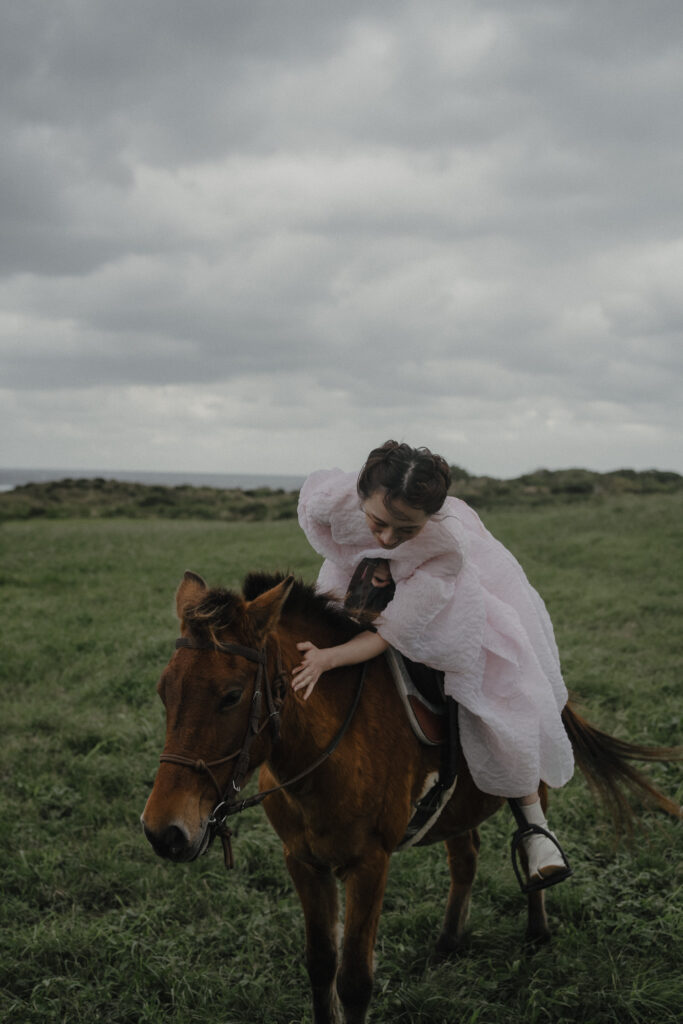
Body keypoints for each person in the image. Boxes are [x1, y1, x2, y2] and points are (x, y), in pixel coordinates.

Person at [292, 440, 575, 888]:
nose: (387, 536)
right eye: (379, 522)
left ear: (429, 520)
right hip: (352, 572)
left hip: (446, 601)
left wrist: (330, 656)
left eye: (405, 530)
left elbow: (389, 634)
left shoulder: (443, 547)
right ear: (360, 495)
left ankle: (534, 825)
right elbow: (341, 545)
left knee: (494, 689)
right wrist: (375, 562)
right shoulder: (328, 501)